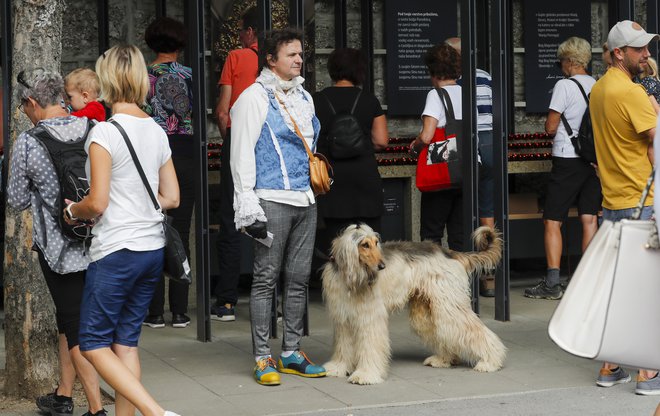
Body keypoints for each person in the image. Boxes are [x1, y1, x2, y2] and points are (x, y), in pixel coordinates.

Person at [64, 44, 181, 416]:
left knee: (93, 343)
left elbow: (96, 204)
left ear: (107, 80)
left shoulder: (104, 134)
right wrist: (138, 204)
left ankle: (156, 413)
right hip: (150, 249)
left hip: (116, 251)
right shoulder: (156, 131)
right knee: (126, 344)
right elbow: (172, 197)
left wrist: (72, 211)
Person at [230, 28, 327, 386]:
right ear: (271, 59)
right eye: (291, 54)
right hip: (270, 198)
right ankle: (261, 357)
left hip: (305, 198)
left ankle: (291, 351)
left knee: (299, 279)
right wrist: (248, 204)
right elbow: (240, 154)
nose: (299, 60)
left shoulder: (304, 96)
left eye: (300, 54)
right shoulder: (253, 98)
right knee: (265, 279)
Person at [7, 68, 105, 416]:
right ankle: (64, 396)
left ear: (33, 102)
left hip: (59, 250)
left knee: (77, 328)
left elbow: (16, 200)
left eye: (23, 105)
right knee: (71, 321)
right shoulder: (94, 130)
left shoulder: (29, 142)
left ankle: (96, 409)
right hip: (99, 243)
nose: (23, 112)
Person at [589, 20, 659, 395]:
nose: (647, 54)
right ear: (619, 53)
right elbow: (656, 140)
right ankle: (649, 373)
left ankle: (610, 366)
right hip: (642, 201)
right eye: (639, 49)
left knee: (620, 289)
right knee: (648, 290)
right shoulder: (631, 93)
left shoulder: (599, 89)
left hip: (614, 201)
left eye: (647, 47)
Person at [523, 37, 601, 300]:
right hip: (592, 159)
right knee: (589, 218)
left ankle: (552, 282)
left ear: (569, 61)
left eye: (561, 62)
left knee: (552, 219)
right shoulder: (597, 85)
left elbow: (551, 127)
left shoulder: (564, 86)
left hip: (568, 158)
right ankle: (587, 279)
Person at [312, 47, 388, 263]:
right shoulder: (369, 100)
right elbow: (381, 140)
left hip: (331, 177)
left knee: (336, 242)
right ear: (359, 71)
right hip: (364, 176)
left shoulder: (317, 100)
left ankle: (339, 288)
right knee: (368, 240)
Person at [143, 16, 194, 329]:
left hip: (152, 154)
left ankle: (153, 312)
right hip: (185, 155)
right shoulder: (189, 75)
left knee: (151, 229)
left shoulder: (143, 76)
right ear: (180, 44)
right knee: (182, 231)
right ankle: (179, 311)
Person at [212, 6, 259, 322]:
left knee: (230, 219)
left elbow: (222, 111)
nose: (240, 36)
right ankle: (271, 301)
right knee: (269, 219)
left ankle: (227, 301)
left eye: (242, 30)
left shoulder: (237, 57)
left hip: (240, 142)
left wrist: (231, 137)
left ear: (251, 32)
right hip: (268, 147)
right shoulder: (279, 62)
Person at [445, 36, 496, 296]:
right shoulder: (485, 76)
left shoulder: (457, 82)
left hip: (472, 143)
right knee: (487, 211)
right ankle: (489, 273)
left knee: (465, 211)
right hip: (491, 143)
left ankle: (469, 272)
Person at [409, 43, 464, 251]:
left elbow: (427, 135)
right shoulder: (467, 93)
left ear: (433, 71)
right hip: (466, 170)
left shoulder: (436, 95)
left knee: (431, 234)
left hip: (442, 172)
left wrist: (415, 147)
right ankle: (462, 280)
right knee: (459, 234)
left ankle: (434, 281)